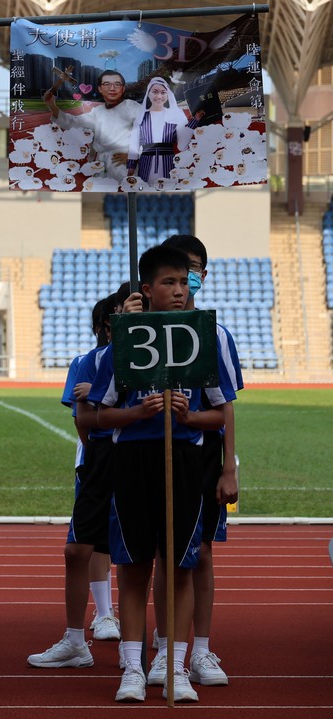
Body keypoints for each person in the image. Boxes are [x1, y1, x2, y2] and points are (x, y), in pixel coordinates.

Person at [88, 244, 235, 704]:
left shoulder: (200, 338)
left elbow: (220, 412)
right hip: (133, 461)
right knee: (134, 567)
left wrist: (189, 416)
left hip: (186, 460)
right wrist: (137, 413)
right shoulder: (123, 342)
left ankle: (174, 666)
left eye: (183, 282)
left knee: (181, 567)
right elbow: (98, 415)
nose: (178, 291)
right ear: (147, 289)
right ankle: (132, 667)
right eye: (168, 282)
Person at [147, 235, 242, 689]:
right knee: (164, 554)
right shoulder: (142, 329)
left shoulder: (214, 333)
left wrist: (229, 467)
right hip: (152, 451)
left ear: (203, 275)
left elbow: (226, 405)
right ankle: (165, 647)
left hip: (201, 454)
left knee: (199, 553)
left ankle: (200, 649)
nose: (186, 281)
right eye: (178, 271)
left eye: (194, 271)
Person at [28, 292, 123, 671]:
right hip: (96, 462)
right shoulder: (87, 362)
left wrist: (97, 400)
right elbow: (83, 422)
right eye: (115, 316)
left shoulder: (143, 362)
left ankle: (150, 643)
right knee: (84, 546)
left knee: (136, 549)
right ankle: (95, 621)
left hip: (135, 460)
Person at [44, 69, 141, 182]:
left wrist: (135, 156)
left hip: (123, 165)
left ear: (123, 88)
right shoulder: (97, 112)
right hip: (101, 164)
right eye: (107, 84)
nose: (112, 88)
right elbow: (73, 122)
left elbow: (149, 133)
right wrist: (52, 105)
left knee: (124, 191)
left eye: (117, 84)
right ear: (100, 89)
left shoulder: (133, 107)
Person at [127, 77, 202, 184]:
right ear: (148, 94)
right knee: (146, 190)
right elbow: (134, 144)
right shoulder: (141, 116)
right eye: (155, 92)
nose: (159, 96)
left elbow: (182, 146)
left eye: (163, 92)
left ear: (168, 95)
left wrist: (195, 121)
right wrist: (131, 167)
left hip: (169, 163)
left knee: (169, 189)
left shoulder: (175, 115)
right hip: (145, 164)